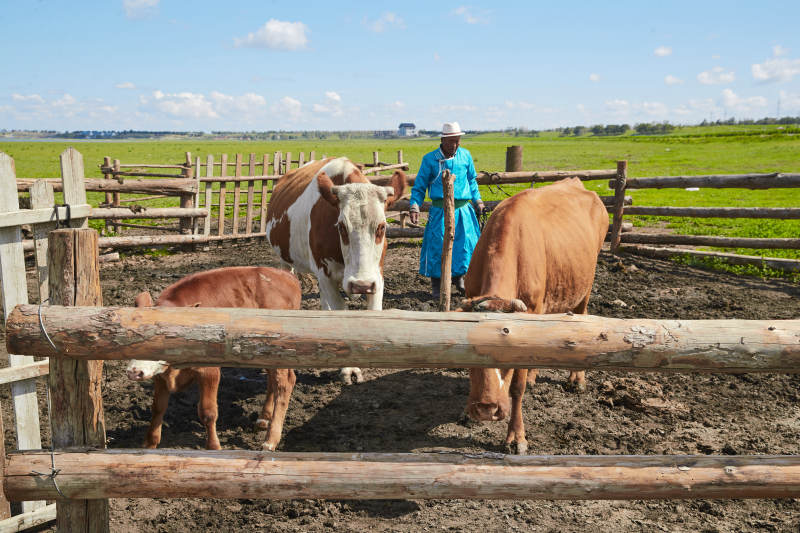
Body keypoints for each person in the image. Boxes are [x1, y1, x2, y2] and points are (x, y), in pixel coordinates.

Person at [409, 122, 485, 298]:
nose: (455, 145)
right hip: (440, 212)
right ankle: (437, 284)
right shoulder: (430, 159)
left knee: (464, 245)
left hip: (463, 211)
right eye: (451, 141)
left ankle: (460, 278)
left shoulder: (465, 156)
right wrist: (414, 205)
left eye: (457, 141)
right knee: (438, 246)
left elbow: (471, 181)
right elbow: (419, 186)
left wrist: (478, 200)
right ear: (443, 140)